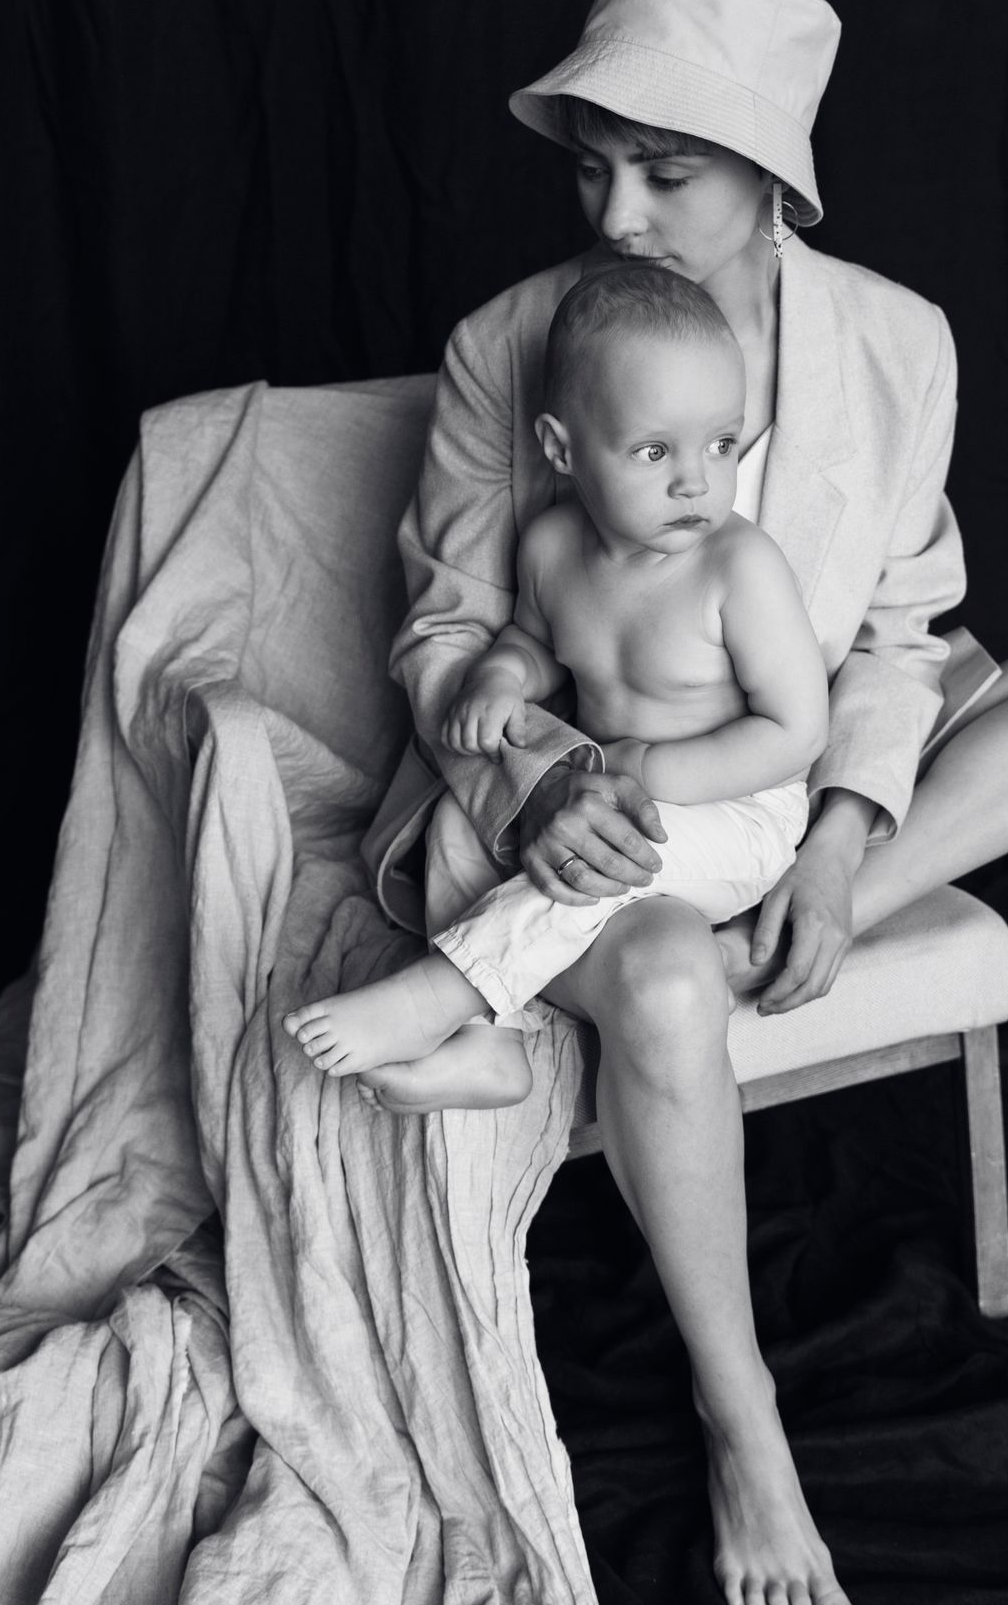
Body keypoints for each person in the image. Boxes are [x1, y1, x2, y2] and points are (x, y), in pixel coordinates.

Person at [358, 0, 1008, 1605]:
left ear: (770, 180)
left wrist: (840, 837)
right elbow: (448, 635)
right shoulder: (511, 347)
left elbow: (901, 637)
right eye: (594, 168)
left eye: (665, 173)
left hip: (792, 776)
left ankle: (810, 914)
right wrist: (537, 778)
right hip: (593, 810)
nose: (615, 214)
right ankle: (745, 1421)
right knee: (667, 972)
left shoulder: (897, 343)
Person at [286, 264, 827, 1079]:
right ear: (560, 449)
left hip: (739, 812)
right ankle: (493, 1046)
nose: (696, 479)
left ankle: (437, 998)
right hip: (611, 786)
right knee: (461, 820)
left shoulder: (740, 568)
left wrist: (654, 770)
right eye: (654, 450)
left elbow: (797, 729)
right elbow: (539, 643)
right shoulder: (550, 547)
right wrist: (503, 676)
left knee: (600, 857)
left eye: (722, 443)